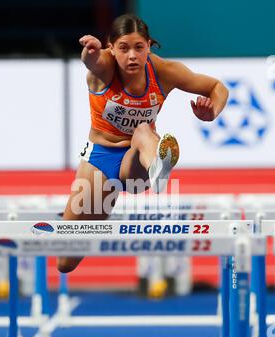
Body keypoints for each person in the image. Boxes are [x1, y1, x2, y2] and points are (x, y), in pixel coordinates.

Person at [57, 14, 229, 273]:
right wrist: (89, 52)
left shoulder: (164, 72)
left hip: (138, 158)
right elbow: (91, 61)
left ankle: (159, 167)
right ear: (111, 48)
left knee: (143, 131)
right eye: (124, 48)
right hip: (100, 159)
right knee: (65, 262)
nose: (132, 56)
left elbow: (217, 86)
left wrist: (212, 110)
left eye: (139, 47)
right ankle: (141, 174)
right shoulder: (104, 65)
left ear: (149, 46)